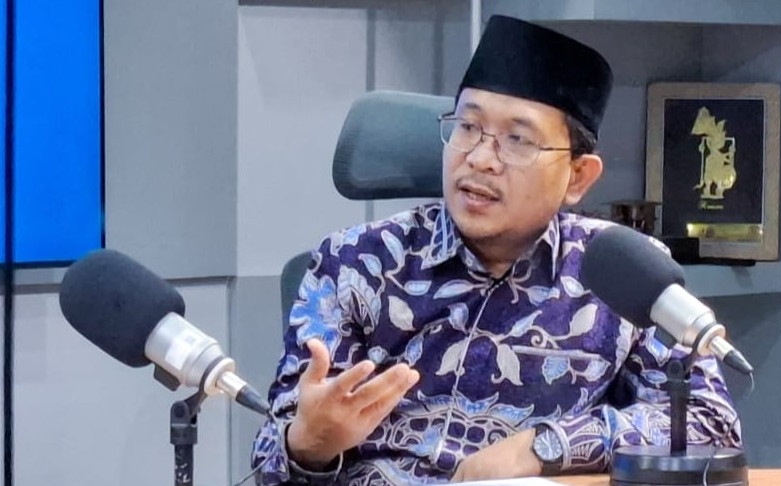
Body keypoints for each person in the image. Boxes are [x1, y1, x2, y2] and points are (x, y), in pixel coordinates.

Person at [251, 15, 741, 485]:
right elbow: (269, 460)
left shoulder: (619, 272)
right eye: (467, 128)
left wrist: (544, 446)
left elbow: (708, 423)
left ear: (578, 177)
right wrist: (307, 445)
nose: (481, 158)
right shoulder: (356, 262)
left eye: (518, 140)